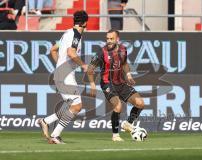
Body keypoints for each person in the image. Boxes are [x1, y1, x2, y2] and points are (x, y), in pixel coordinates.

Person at [38, 10, 88, 144]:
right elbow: (71, 53)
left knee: (70, 106)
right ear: (85, 23)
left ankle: (46, 121)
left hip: (62, 74)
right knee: (77, 106)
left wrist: (61, 66)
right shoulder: (76, 35)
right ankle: (55, 135)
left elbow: (53, 50)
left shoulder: (67, 33)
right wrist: (83, 65)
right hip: (65, 76)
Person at [87, 29, 145, 141]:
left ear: (117, 39)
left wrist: (128, 75)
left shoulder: (123, 49)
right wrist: (92, 84)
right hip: (107, 83)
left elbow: (124, 63)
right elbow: (90, 69)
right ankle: (115, 135)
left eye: (111, 39)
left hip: (121, 83)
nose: (109, 41)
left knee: (140, 103)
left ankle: (128, 124)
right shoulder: (101, 52)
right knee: (118, 106)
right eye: (107, 38)